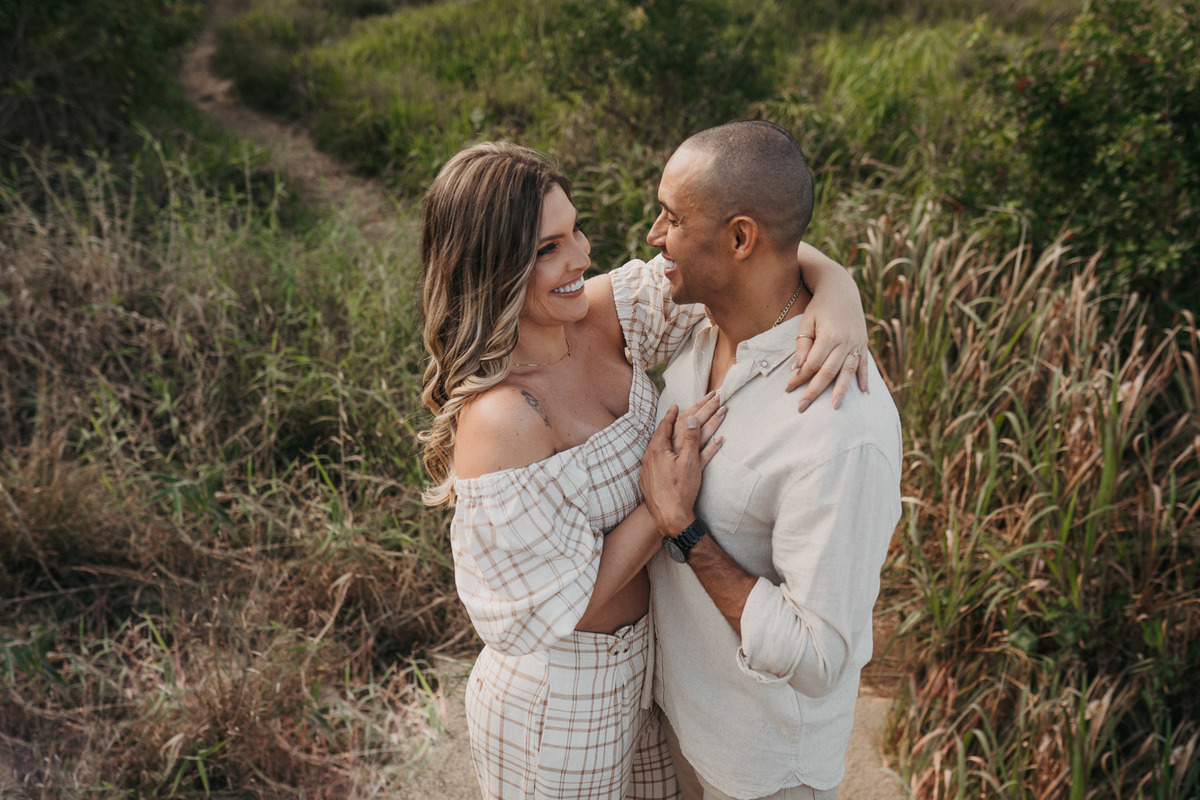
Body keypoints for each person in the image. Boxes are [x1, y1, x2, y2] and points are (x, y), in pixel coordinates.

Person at [418, 140, 870, 800]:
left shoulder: (602, 313)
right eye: (548, 249)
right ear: (491, 267)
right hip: (561, 704)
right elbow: (555, 610)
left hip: (646, 678)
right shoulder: (504, 419)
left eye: (575, 231)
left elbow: (746, 258)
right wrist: (662, 514)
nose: (579, 257)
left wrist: (838, 290)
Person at [636, 120, 903, 800]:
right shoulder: (702, 313)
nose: (652, 237)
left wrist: (684, 531)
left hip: (759, 771)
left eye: (670, 217)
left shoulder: (839, 426)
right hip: (678, 718)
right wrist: (836, 277)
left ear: (740, 238)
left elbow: (820, 657)